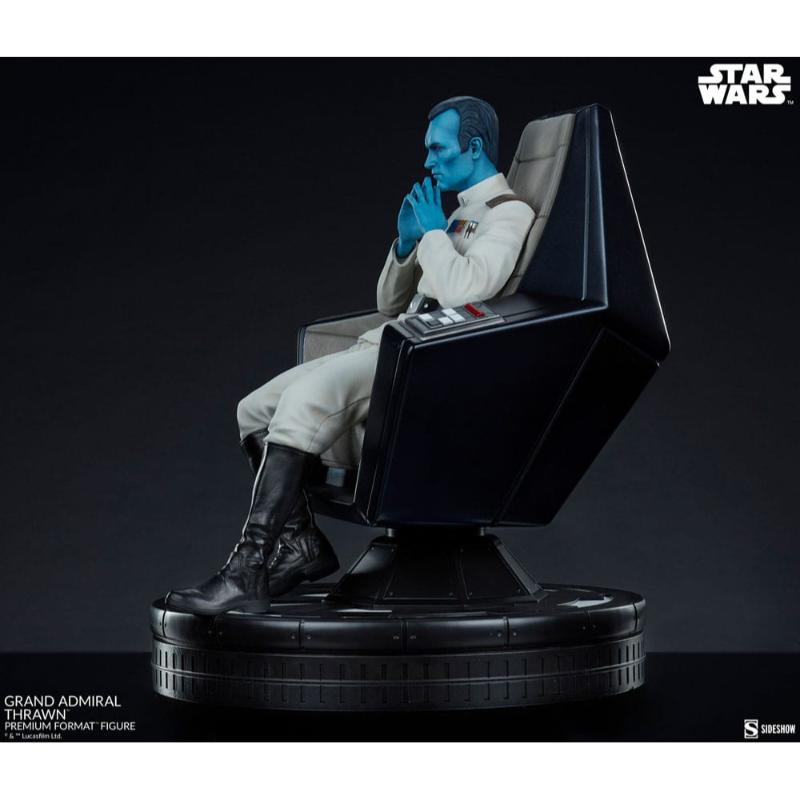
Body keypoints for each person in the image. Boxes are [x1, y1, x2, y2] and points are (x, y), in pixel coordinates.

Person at [165, 96, 535, 615]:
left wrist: (433, 232)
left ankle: (246, 569)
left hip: (426, 359)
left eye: (439, 149)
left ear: (473, 148)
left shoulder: (509, 214)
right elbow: (389, 302)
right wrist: (406, 244)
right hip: (394, 337)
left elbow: (465, 293)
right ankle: (301, 545)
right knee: (253, 410)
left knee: (301, 405)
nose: (428, 161)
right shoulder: (457, 214)